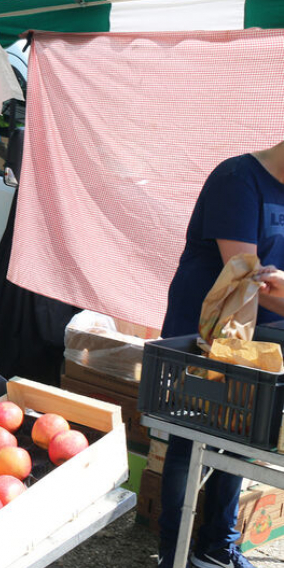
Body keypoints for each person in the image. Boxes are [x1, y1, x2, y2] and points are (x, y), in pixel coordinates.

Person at [158, 142, 284, 568]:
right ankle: (175, 554)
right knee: (191, 441)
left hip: (259, 341)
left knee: (240, 440)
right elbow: (245, 282)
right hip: (205, 336)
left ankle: (215, 548)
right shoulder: (238, 180)